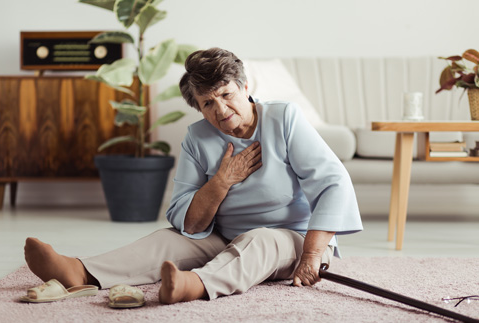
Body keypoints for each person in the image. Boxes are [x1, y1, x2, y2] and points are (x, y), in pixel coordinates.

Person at [24, 47, 363, 304]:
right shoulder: (197, 137)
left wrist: (313, 255)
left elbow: (333, 183)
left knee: (259, 240)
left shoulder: (284, 118)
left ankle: (194, 285)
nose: (221, 109)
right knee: (166, 240)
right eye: (207, 103)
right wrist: (220, 182)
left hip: (293, 239)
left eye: (226, 95)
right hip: (223, 236)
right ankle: (78, 271)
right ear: (198, 108)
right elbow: (189, 221)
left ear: (245, 87)